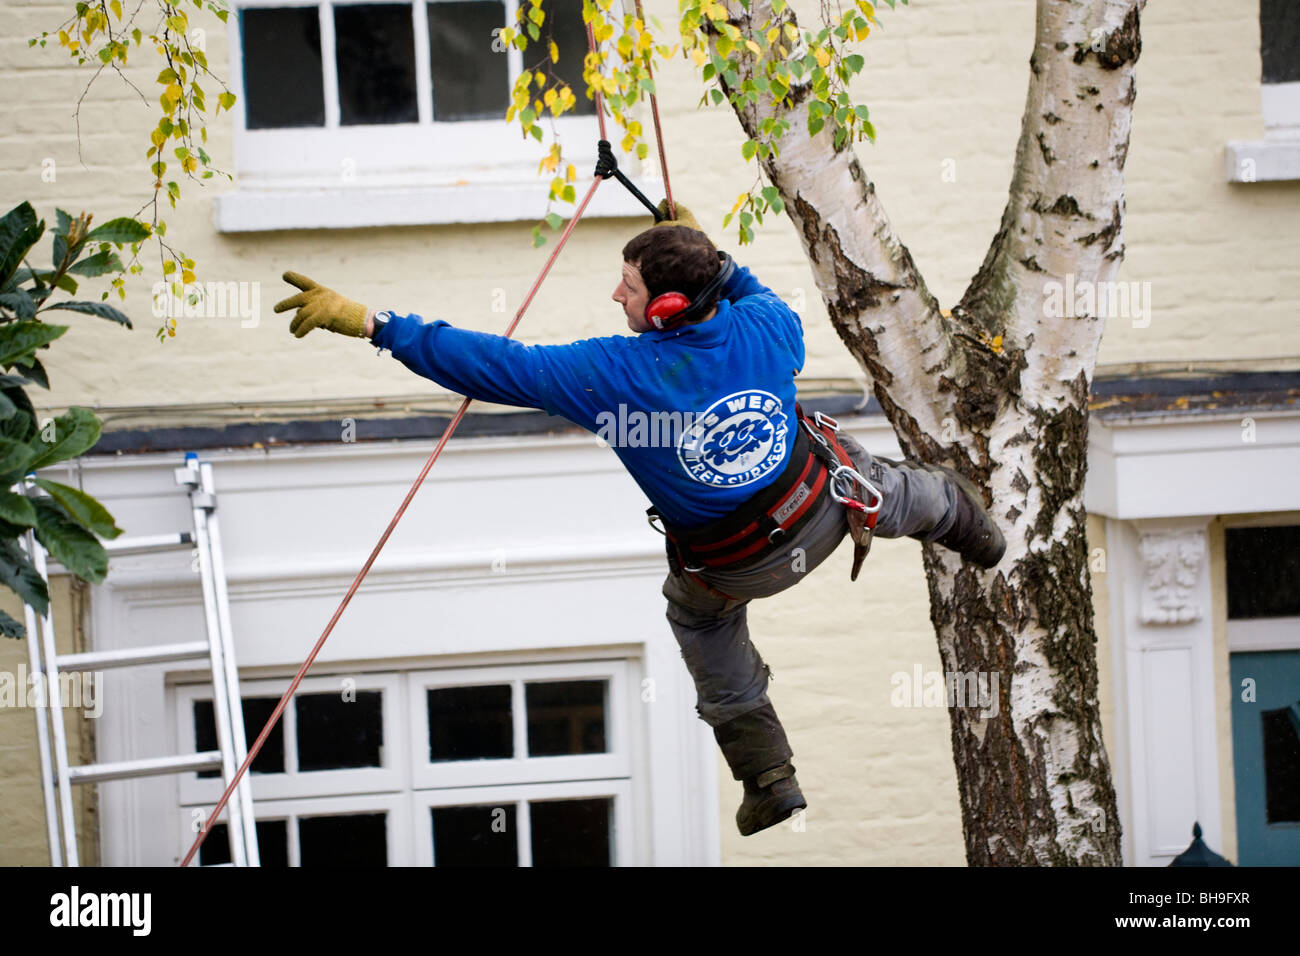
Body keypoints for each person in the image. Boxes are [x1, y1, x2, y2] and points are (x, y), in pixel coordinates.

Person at [275, 205, 1005, 837]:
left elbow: (488, 362)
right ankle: (977, 533)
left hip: (732, 568)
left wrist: (375, 324)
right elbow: (746, 286)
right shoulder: (770, 327)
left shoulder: (611, 375)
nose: (616, 295)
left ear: (664, 310)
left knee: (701, 626)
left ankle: (768, 777)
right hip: (829, 511)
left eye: (629, 286)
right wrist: (704, 251)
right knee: (913, 491)